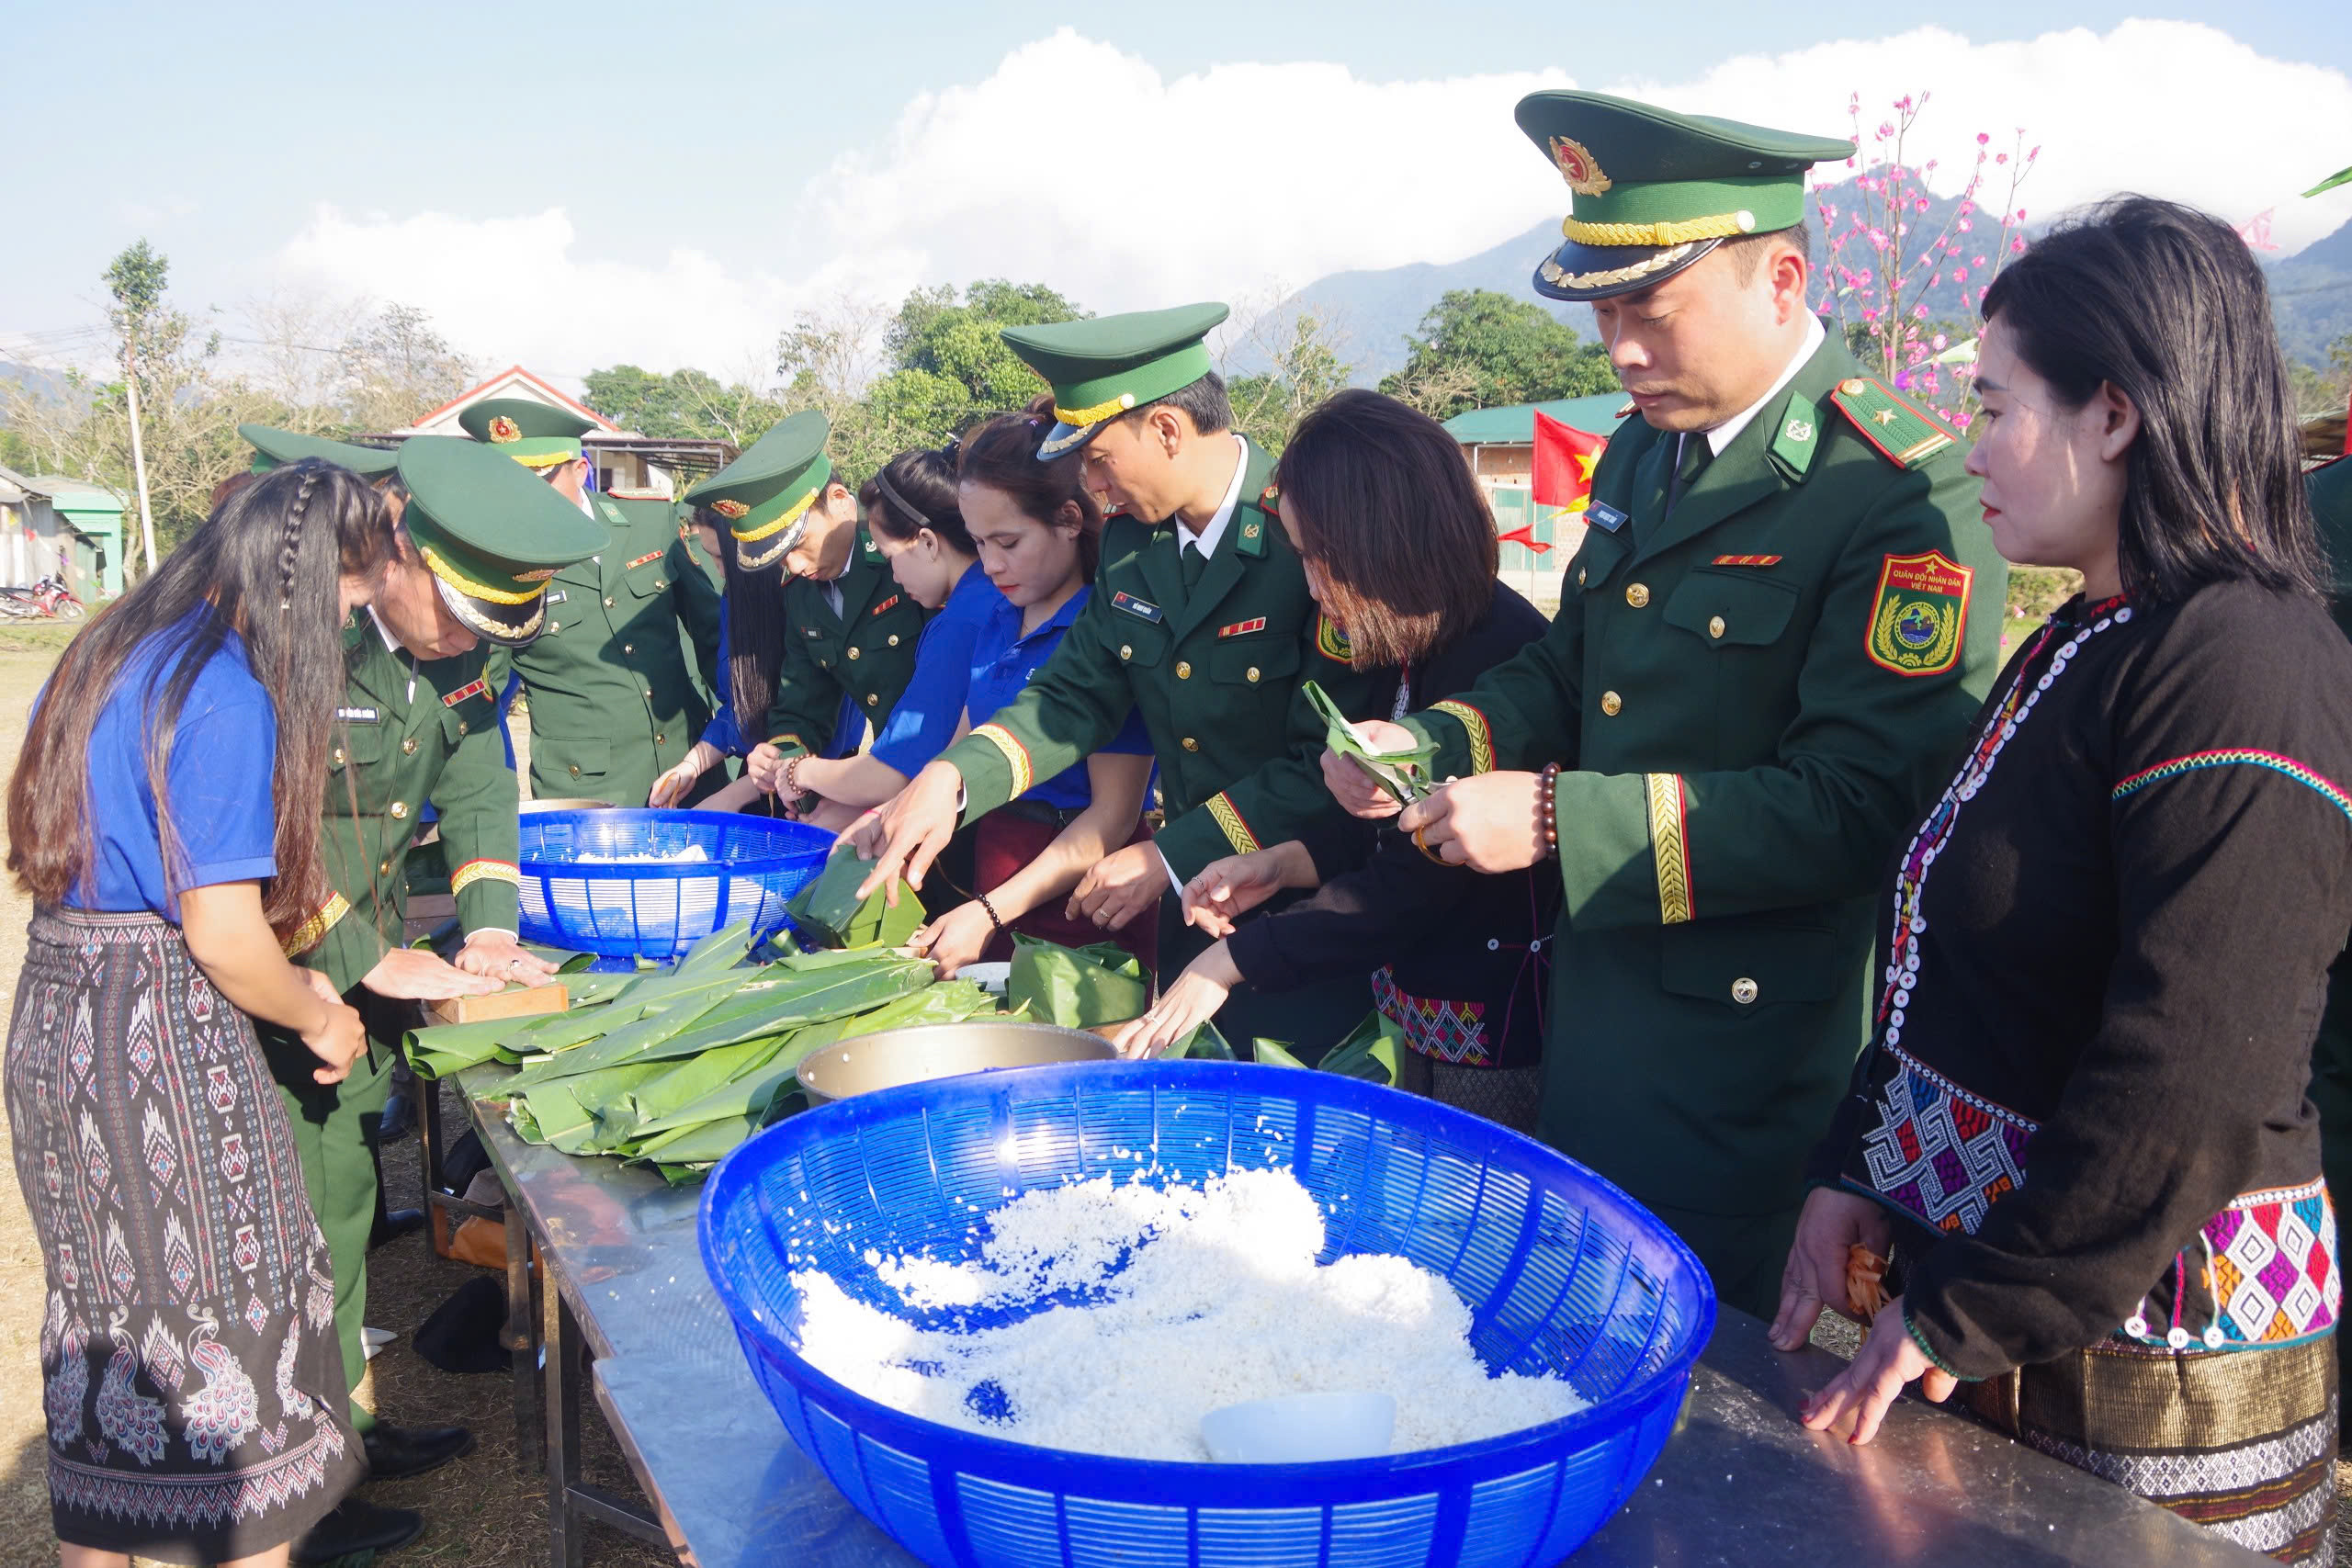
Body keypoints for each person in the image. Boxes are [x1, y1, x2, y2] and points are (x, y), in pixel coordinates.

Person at [1317, 92, 2007, 1316]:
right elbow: (1570, 671)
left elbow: (1863, 808)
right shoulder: (1645, 451)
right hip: (1597, 1030)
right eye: (1604, 313)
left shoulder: (1896, 493)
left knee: (1725, 1421)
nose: (1621, 351)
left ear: (1782, 279)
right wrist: (1423, 745)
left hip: (1752, 1073)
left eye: (1651, 309)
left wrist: (1550, 825)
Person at [1779, 197, 2352, 1563]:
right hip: (2007, 1305)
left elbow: (2193, 1058)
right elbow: (1967, 969)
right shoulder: (2096, 639)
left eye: (1992, 406)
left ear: (2115, 413)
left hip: (2146, 1356)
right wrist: (1857, 1164)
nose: (1969, 446)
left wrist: (1973, 1304)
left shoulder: (2241, 661)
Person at [6, 461, 378, 1568]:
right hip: (160, 1042)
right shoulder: (220, 690)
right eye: (352, 602)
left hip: (58, 1013)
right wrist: (317, 1013)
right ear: (307, 584)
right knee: (227, 1378)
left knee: (108, 1345)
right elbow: (221, 933)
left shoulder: (101, 649)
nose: (349, 628)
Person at [846, 305, 1392, 1048]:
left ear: (1167, 431)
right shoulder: (1137, 544)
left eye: (1099, 460)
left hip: (1307, 907)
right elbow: (1075, 693)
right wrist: (954, 776)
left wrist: (1171, 853)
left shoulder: (1301, 527)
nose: (1094, 489)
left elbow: (1326, 761)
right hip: (1191, 913)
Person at [1111, 392, 1553, 1124]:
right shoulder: (1405, 644)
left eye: (1325, 562)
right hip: (1415, 1012)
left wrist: (1230, 961)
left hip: (1495, 1032)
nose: (1314, 590)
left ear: (1392, 541)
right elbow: (1375, 828)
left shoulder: (1501, 654)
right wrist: (1276, 865)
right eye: (1304, 561)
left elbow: (1405, 884)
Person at [790, 411, 1158, 971]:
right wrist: (890, 813)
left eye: (1008, 542)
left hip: (1087, 899)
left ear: (1068, 520)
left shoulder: (1104, 635)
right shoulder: (997, 618)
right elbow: (967, 749)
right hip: (997, 873)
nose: (991, 564)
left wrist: (988, 913)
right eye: (981, 543)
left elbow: (1110, 817)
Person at [461, 399, 720, 807]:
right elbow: (480, 694)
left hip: (689, 769)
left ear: (579, 471)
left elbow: (715, 637)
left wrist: (733, 737)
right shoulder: (496, 567)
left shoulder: (648, 524)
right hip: (589, 796)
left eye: (537, 482)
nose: (524, 501)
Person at [690, 412, 931, 789]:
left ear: (840, 503)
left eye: (799, 545)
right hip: (890, 783)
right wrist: (782, 755)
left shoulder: (901, 561)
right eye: (780, 558)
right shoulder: (801, 594)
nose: (796, 566)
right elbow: (802, 699)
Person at [777, 446, 978, 833]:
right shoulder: (978, 604)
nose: (896, 578)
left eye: (890, 560)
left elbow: (896, 766)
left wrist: (800, 771)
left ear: (929, 542)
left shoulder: (958, 622)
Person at [648, 503, 792, 812]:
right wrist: (690, 766)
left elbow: (818, 730)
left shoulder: (801, 597)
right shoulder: (735, 600)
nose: (718, 568)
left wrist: (731, 797)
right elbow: (740, 708)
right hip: (759, 780)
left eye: (719, 556)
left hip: (810, 787)